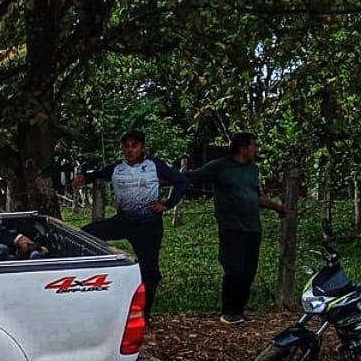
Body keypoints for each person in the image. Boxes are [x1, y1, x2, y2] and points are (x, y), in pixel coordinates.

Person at [71, 130, 187, 319]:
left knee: (149, 269)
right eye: (127, 146)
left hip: (149, 224)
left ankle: (144, 314)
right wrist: (83, 177)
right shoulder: (117, 168)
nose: (130, 150)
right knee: (85, 234)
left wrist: (167, 204)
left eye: (135, 145)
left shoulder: (154, 165)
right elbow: (96, 174)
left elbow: (181, 181)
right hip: (124, 221)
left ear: (142, 147)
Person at [186, 132, 288, 325]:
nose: (256, 150)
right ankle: (228, 310)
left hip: (252, 227)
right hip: (231, 227)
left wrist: (277, 208)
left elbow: (256, 196)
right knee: (234, 269)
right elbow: (193, 177)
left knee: (248, 271)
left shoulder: (252, 170)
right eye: (254, 146)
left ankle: (239, 310)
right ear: (244, 148)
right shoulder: (220, 166)